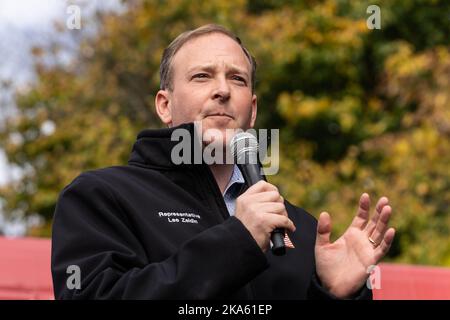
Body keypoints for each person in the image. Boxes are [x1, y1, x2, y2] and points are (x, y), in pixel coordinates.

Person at [51, 24, 395, 299]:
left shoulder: (299, 229)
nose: (223, 90)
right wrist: (237, 240)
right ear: (164, 105)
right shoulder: (101, 197)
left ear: (253, 109)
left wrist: (335, 294)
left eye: (237, 79)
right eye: (202, 76)